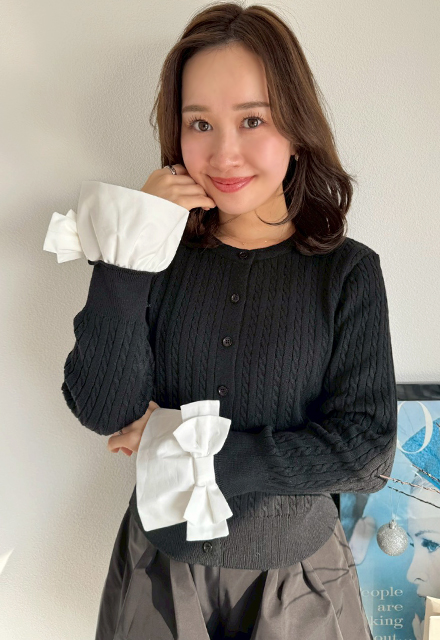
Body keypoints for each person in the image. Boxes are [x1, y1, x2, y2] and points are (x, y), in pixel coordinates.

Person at [43, 3, 398, 639]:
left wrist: (181, 445)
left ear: (296, 127)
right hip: (160, 572)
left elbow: (367, 452)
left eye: (252, 119)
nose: (224, 152)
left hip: (299, 579)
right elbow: (103, 408)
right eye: (200, 123)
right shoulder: (153, 259)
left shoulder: (348, 273)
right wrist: (131, 245)